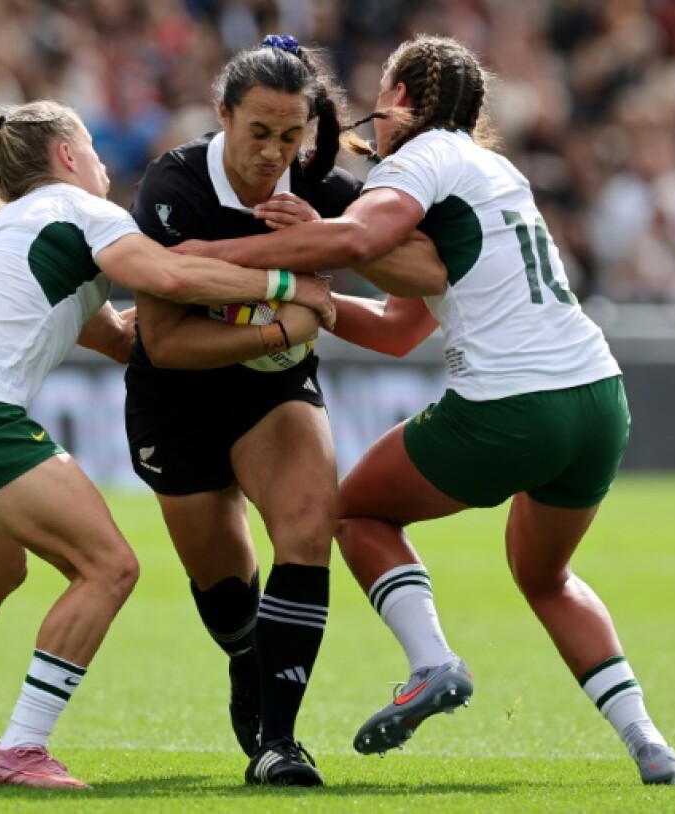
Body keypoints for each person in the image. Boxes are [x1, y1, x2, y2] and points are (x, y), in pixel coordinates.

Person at [175, 34, 675, 786]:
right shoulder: (494, 172)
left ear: (401, 97)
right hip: (598, 398)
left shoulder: (421, 157)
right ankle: (650, 745)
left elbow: (359, 234)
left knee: (354, 512)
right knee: (547, 577)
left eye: (381, 92)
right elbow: (400, 329)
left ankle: (431, 662)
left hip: (511, 402)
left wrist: (216, 255)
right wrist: (318, 301)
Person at [0, 93, 332, 790]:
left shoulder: (14, 226)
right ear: (66, 155)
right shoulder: (83, 210)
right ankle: (21, 749)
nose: (102, 165)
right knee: (109, 567)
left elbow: (121, 337)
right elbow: (170, 275)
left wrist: (225, 331)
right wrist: (285, 288)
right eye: (91, 148)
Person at [125, 34, 442, 787]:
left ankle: (278, 742)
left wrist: (331, 238)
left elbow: (429, 268)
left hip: (275, 393)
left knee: (307, 528)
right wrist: (279, 320)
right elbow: (164, 343)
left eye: (290, 135)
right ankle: (248, 660)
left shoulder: (323, 190)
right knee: (228, 600)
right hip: (178, 400)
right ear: (223, 114)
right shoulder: (172, 188)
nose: (273, 153)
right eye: (258, 132)